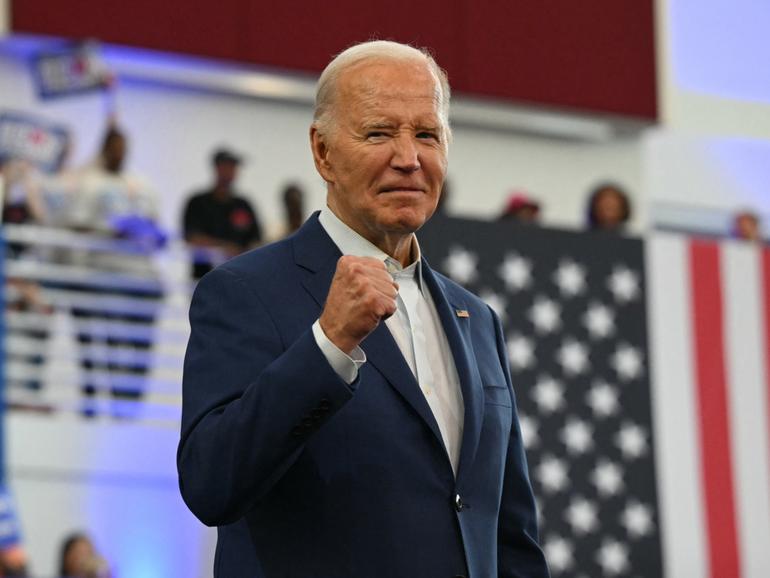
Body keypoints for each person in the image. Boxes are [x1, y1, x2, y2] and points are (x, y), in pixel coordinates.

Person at [178, 40, 548, 578]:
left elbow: (509, 534)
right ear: (323, 152)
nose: (408, 157)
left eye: (427, 134)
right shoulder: (243, 291)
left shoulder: (478, 320)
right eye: (379, 132)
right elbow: (211, 484)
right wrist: (327, 344)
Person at [182, 148, 263, 279]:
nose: (231, 171)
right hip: (203, 278)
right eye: (227, 166)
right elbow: (192, 237)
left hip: (238, 278)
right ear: (217, 168)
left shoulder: (243, 205)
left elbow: (256, 241)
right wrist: (224, 249)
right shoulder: (197, 203)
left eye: (234, 167)